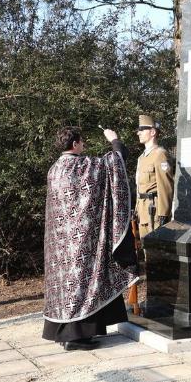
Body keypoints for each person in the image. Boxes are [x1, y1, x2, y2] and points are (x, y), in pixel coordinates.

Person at [42, 126, 137, 351]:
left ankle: (66, 334)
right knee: (81, 283)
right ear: (75, 144)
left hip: (60, 244)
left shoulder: (54, 170)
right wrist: (114, 140)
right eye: (82, 141)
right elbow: (113, 163)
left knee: (66, 286)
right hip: (82, 240)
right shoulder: (81, 166)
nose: (84, 145)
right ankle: (76, 337)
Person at [135, 115, 174, 237]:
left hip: (154, 212)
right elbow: (139, 187)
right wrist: (137, 209)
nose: (138, 133)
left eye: (142, 130)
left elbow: (166, 186)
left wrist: (164, 214)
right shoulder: (142, 158)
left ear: (152, 132)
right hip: (143, 212)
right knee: (144, 246)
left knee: (155, 247)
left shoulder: (160, 155)